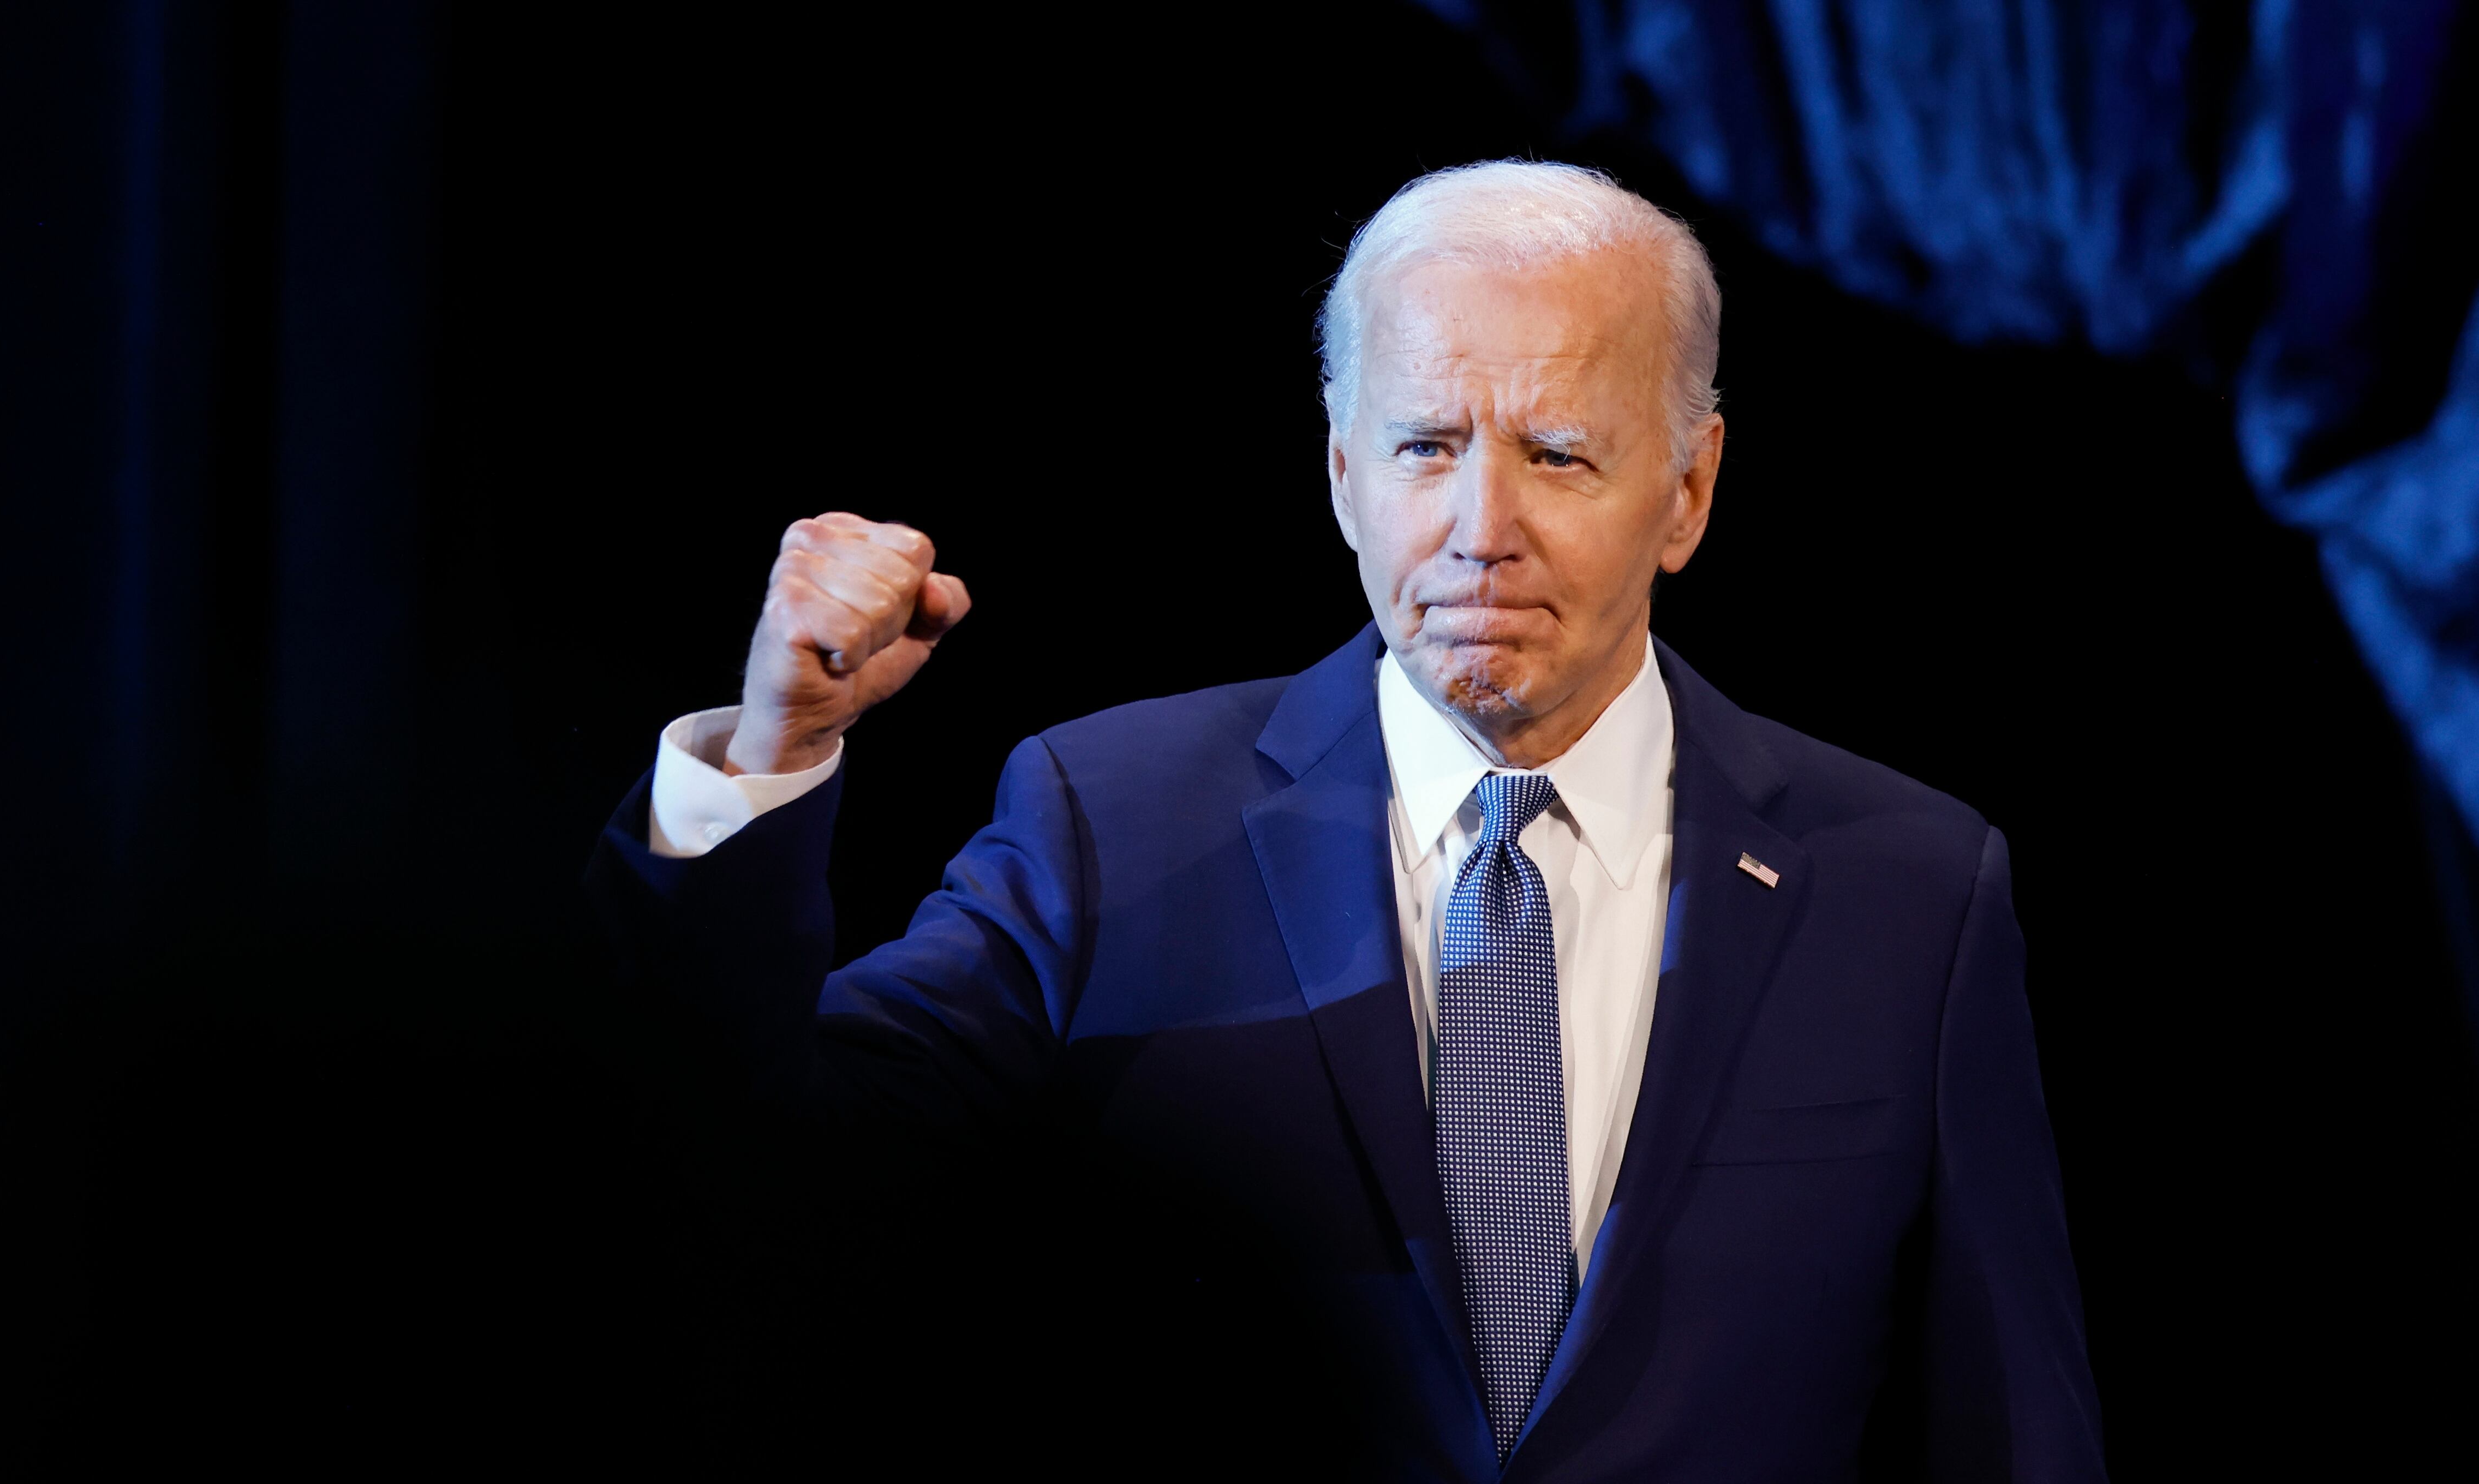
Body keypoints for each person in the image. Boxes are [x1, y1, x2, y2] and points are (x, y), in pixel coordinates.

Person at [587, 160, 2105, 1480]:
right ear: (1338, 469)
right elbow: (750, 1149)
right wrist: (774, 747)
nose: (1479, 529)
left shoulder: (1909, 888)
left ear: (1689, 488)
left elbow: (2008, 1422)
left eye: (1558, 453)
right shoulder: (1110, 823)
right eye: (1424, 446)